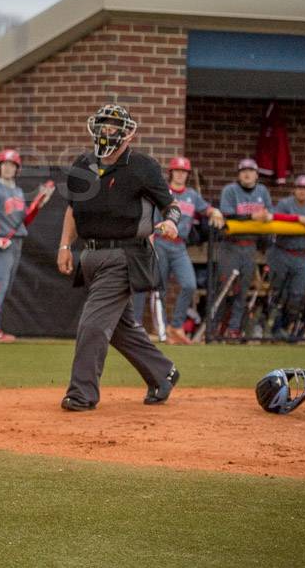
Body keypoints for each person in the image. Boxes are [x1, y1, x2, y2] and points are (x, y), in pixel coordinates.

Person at [56, 104, 181, 412]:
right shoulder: (82, 164)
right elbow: (73, 209)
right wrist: (64, 246)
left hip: (125, 255)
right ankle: (162, 372)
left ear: (128, 133)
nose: (107, 132)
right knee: (121, 327)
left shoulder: (142, 165)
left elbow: (170, 205)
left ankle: (81, 394)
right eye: (103, 125)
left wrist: (172, 221)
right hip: (91, 255)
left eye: (114, 127)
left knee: (93, 325)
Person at [129, 156, 225, 344]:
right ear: (171, 172)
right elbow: (148, 217)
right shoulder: (162, 191)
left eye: (184, 172)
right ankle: (163, 331)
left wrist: (215, 212)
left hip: (180, 245)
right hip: (160, 242)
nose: (180, 174)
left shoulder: (192, 195)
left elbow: (206, 209)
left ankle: (176, 326)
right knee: (159, 288)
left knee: (189, 284)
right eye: (177, 171)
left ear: (187, 175)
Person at [0, 149, 54, 343]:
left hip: (17, 241)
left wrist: (40, 203)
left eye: (12, 165)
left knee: (5, 286)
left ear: (17, 169)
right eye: (4, 164)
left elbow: (24, 221)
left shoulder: (16, 191)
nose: (8, 168)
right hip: (3, 243)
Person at [215, 158, 273, 340]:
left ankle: (234, 330)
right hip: (231, 246)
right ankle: (214, 328)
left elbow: (268, 215)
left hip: (250, 248)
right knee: (224, 289)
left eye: (251, 171)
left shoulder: (262, 191)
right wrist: (252, 216)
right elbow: (227, 214)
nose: (247, 174)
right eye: (243, 171)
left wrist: (264, 218)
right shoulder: (230, 190)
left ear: (257, 174)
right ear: (239, 174)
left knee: (242, 291)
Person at [267, 174, 305, 342]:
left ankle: (287, 328)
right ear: (294, 189)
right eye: (300, 188)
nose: (302, 191)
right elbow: (274, 217)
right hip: (281, 252)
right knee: (278, 292)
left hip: (301, 255)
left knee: (297, 294)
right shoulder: (286, 203)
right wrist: (299, 220)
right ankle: (273, 328)